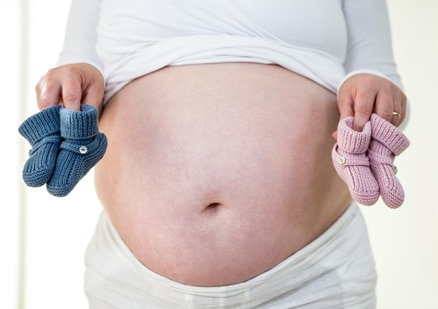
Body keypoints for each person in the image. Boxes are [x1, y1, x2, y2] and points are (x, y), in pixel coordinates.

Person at [32, 0, 408, 308]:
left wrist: (375, 97)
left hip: (310, 278)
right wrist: (71, 85)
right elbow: (78, 67)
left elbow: (382, 80)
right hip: (134, 284)